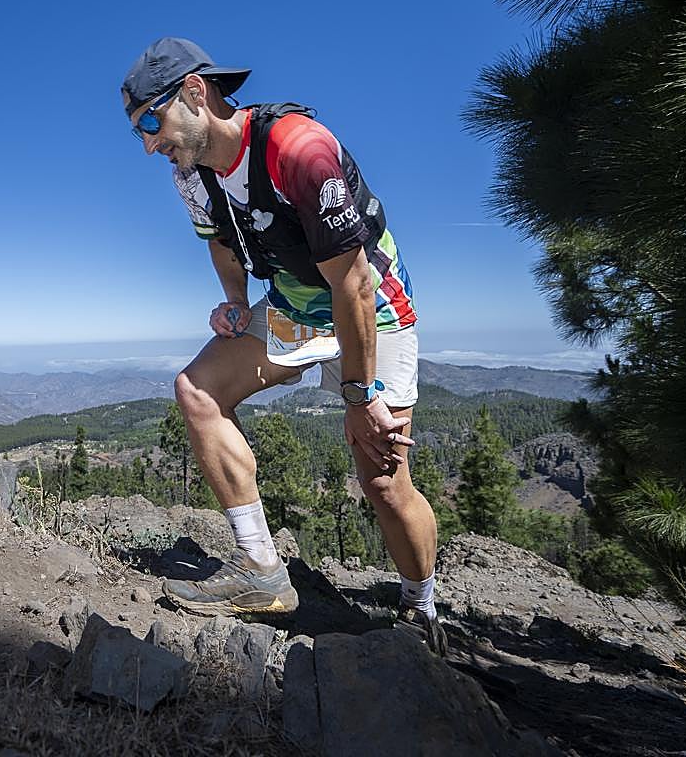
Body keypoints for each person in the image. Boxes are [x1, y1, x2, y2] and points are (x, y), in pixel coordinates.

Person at [120, 37, 447, 654]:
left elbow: (352, 280)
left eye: (150, 121)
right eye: (137, 129)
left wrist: (360, 394)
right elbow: (220, 241)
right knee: (198, 391)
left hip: (374, 309)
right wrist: (238, 301)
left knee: (381, 477)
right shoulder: (191, 175)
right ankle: (263, 572)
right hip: (296, 305)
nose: (148, 142)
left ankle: (421, 607)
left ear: (195, 92)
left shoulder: (299, 150)